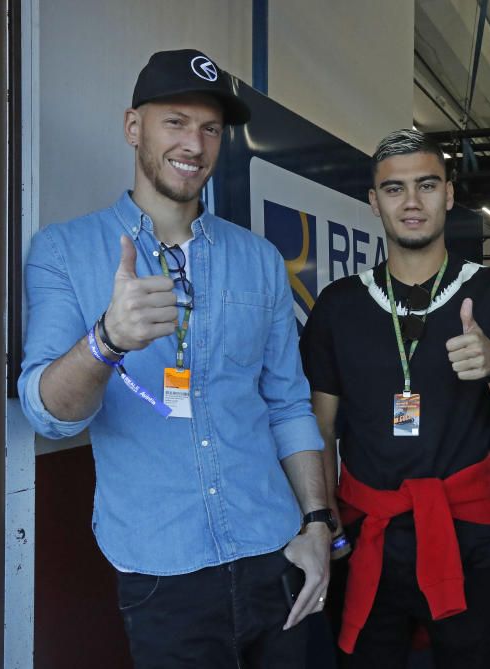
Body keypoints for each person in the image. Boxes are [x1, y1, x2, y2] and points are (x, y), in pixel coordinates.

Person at [17, 49, 330, 668]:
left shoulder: (259, 259)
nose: (195, 142)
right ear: (134, 127)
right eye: (176, 121)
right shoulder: (63, 250)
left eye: (210, 128)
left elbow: (288, 402)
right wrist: (105, 342)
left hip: (276, 554)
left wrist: (318, 524)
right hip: (163, 573)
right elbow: (47, 413)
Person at [299, 129, 490, 668]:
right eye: (394, 189)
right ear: (374, 202)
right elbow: (319, 426)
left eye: (427, 185)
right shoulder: (339, 305)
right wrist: (320, 515)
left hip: (465, 531)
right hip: (368, 529)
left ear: (450, 194)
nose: (412, 202)